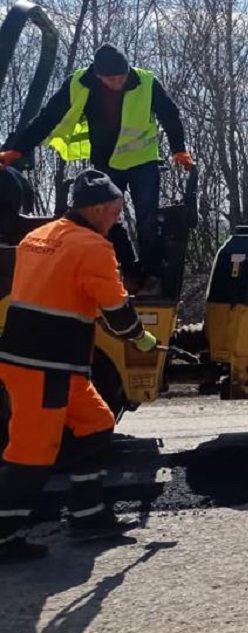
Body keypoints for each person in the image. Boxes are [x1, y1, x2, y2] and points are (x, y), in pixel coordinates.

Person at [0, 169, 158, 564]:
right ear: (100, 208)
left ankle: (88, 516)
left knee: (97, 422)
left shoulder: (36, 238)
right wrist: (139, 337)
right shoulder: (93, 248)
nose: (117, 220)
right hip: (47, 365)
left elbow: (70, 293)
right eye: (117, 212)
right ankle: (4, 536)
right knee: (32, 451)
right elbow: (117, 310)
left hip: (46, 362)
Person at [0, 44, 193, 295]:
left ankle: (152, 275)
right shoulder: (79, 83)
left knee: (147, 219)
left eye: (122, 76)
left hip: (142, 161)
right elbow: (49, 117)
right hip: (106, 160)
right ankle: (130, 272)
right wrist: (19, 149)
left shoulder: (145, 82)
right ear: (98, 76)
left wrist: (179, 148)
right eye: (112, 78)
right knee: (103, 219)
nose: (119, 81)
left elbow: (170, 115)